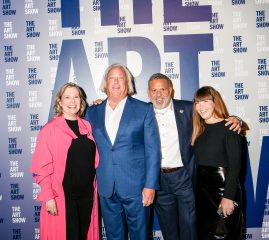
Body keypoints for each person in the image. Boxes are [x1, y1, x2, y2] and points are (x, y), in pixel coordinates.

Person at [147, 74, 242, 240]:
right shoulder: (142, 111)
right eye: (154, 90)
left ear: (171, 91)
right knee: (168, 230)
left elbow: (214, 117)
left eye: (162, 89)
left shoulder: (189, 108)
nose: (158, 94)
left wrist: (237, 120)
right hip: (158, 181)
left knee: (190, 228)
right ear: (149, 93)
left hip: (184, 178)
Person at [85, 64, 161, 240]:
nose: (116, 82)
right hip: (106, 188)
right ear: (105, 83)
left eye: (121, 78)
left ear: (128, 83)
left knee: (140, 236)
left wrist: (150, 185)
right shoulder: (91, 112)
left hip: (137, 188)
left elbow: (153, 150)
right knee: (113, 236)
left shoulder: (144, 109)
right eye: (112, 78)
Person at [30, 83, 100, 240]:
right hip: (63, 197)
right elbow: (41, 168)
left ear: (81, 101)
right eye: (67, 97)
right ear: (60, 102)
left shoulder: (86, 126)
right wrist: (48, 197)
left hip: (87, 195)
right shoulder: (49, 129)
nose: (72, 101)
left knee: (84, 235)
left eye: (76, 97)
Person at [191, 86, 244, 240]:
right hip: (202, 194)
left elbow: (235, 166)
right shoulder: (199, 130)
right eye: (197, 103)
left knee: (222, 234)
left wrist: (228, 197)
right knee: (206, 234)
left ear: (215, 102)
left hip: (223, 193)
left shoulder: (229, 127)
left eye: (206, 101)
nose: (201, 107)